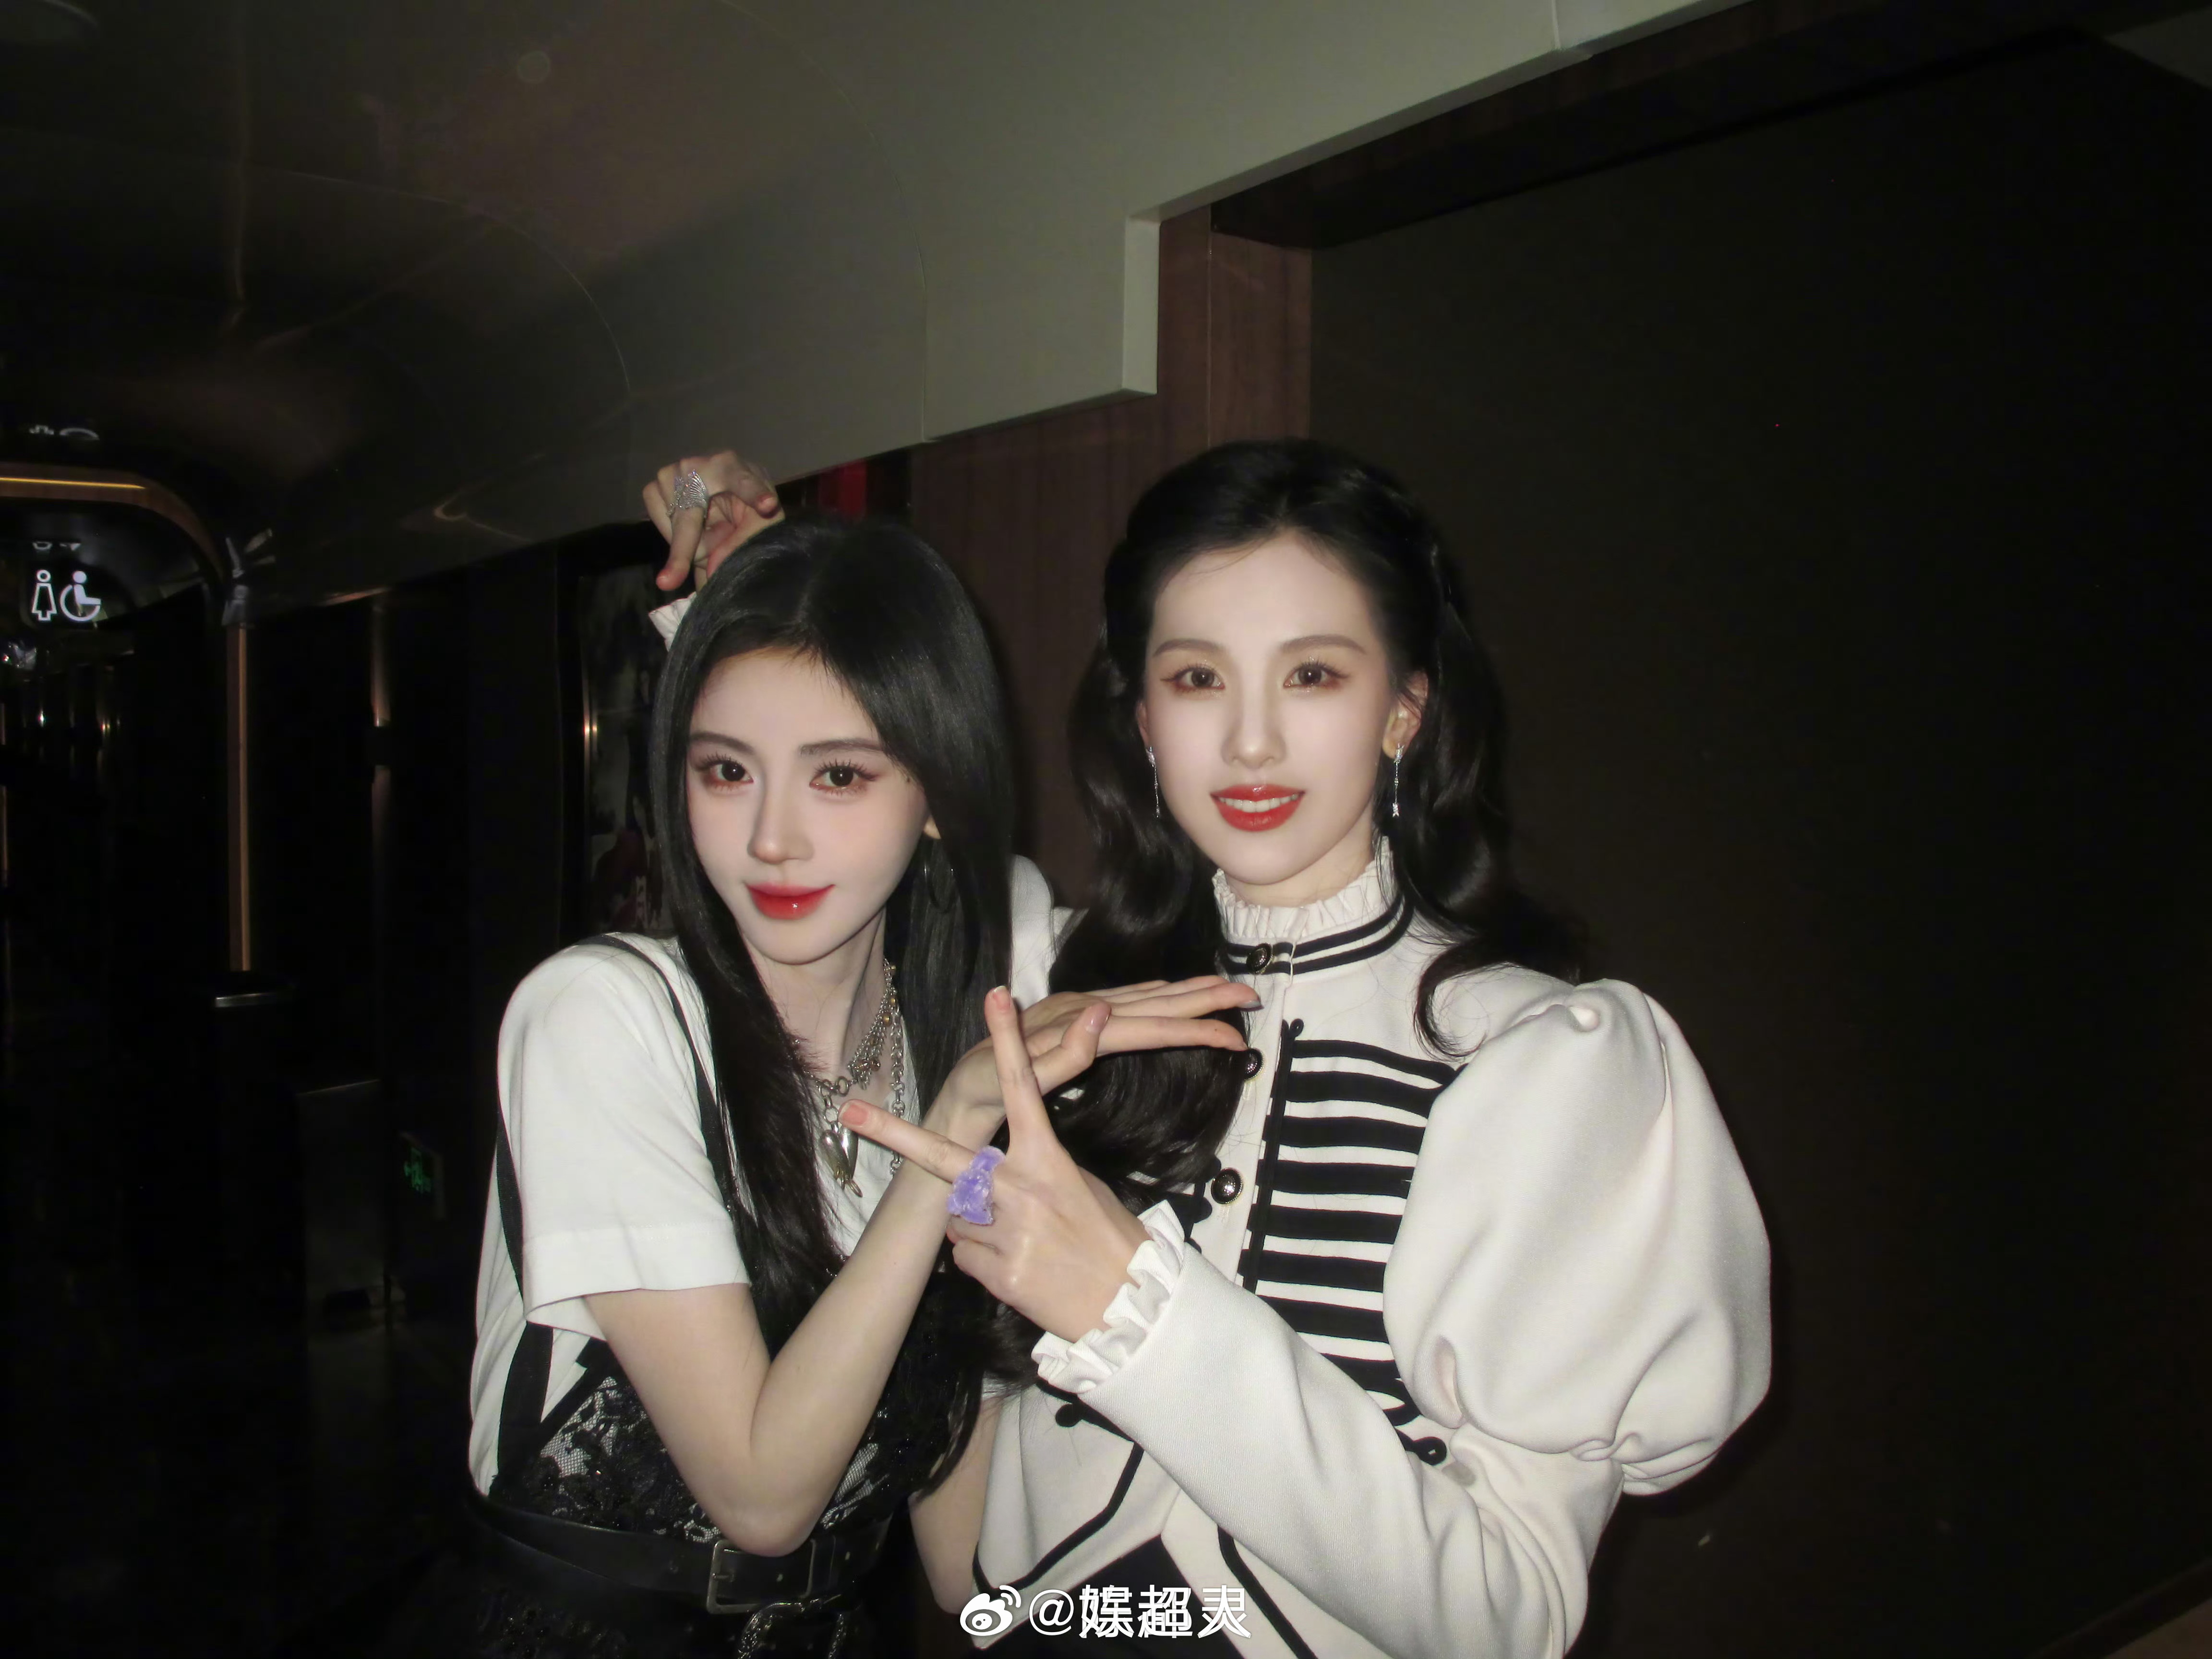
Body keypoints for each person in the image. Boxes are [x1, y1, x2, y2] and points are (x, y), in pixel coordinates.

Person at [833, 439, 1774, 1658]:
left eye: (1314, 674)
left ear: (1404, 710)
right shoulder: (1051, 986)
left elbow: (1513, 1616)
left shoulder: (1538, 1063)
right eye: (1198, 678)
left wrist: (1138, 1314)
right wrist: (764, 592)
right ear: (1145, 720)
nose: (1252, 743)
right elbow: (815, 876)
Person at [386, 510, 1256, 1659]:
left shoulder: (958, 1013)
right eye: (725, 772)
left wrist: (1222, 1609)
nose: (772, 839)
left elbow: (964, 1567)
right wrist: (950, 1135)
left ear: (936, 791)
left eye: (839, 775)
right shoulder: (603, 1018)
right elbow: (760, 1496)